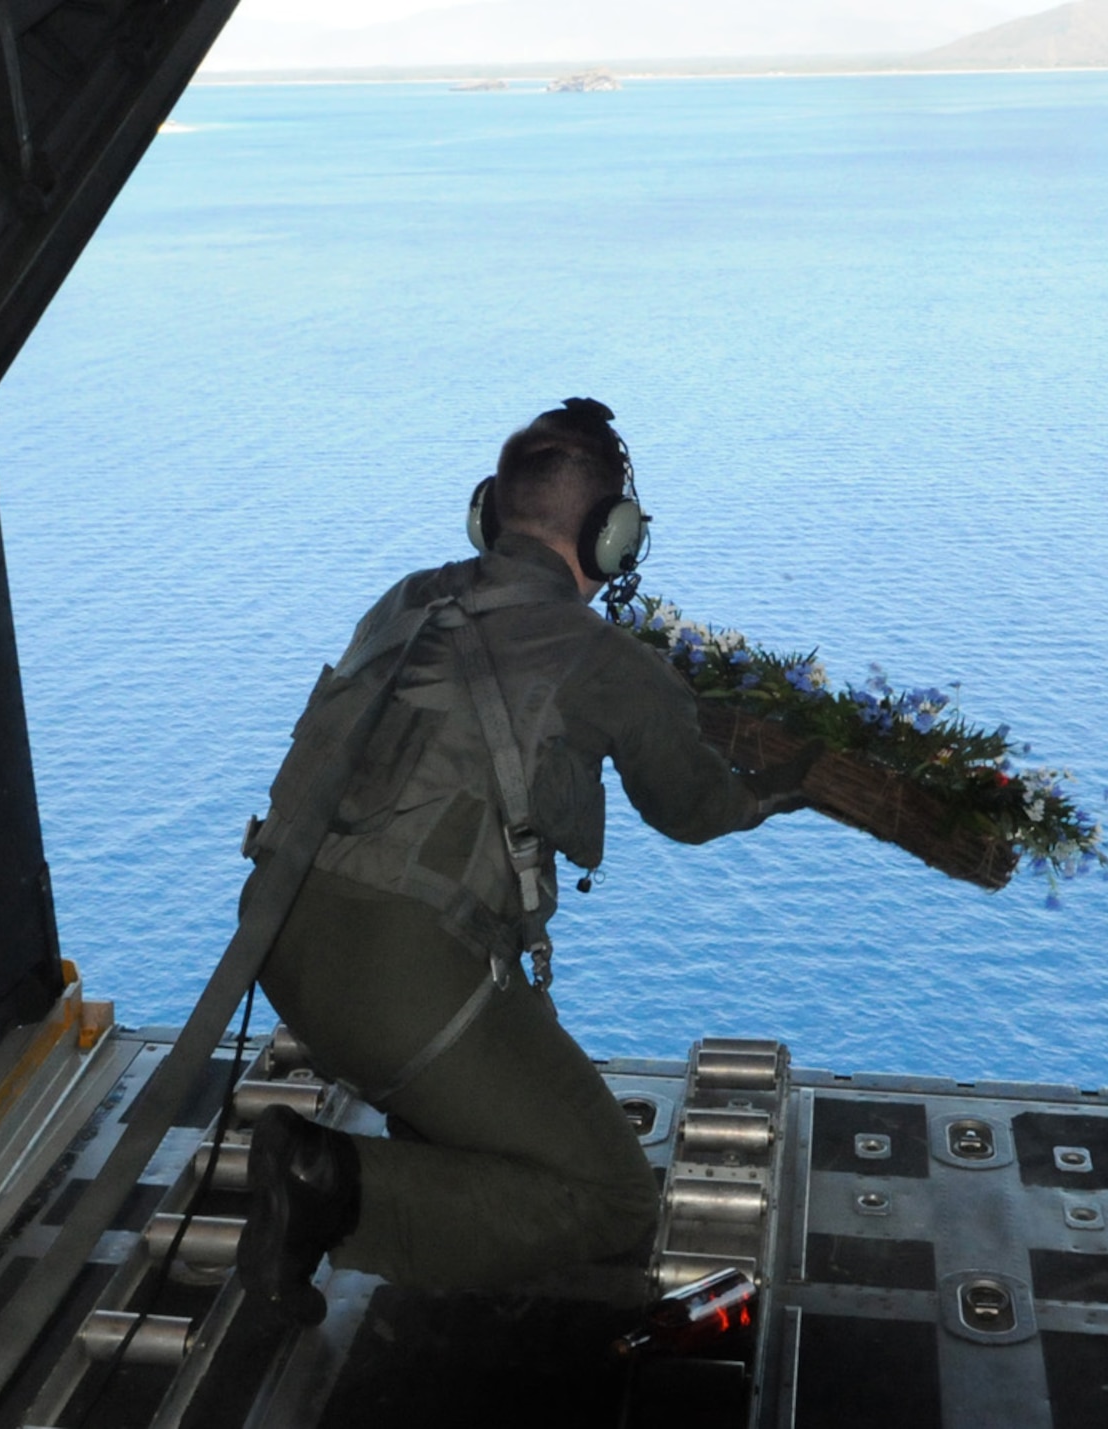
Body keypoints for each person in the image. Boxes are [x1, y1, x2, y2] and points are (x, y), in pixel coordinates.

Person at [234, 398, 812, 1326]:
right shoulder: (602, 655)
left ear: (487, 514)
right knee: (615, 1193)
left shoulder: (406, 598)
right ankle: (332, 1185)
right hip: (398, 981)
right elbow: (694, 808)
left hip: (279, 938)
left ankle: (421, 1154)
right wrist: (780, 788)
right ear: (613, 537)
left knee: (495, 1051)